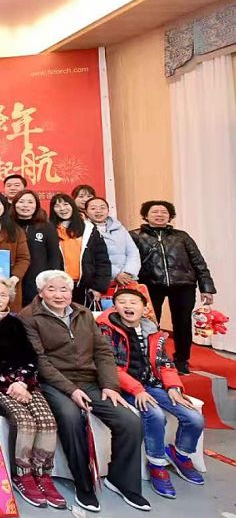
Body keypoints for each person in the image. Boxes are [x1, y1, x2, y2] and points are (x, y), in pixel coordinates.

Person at [20, 269, 150, 512]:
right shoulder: (28, 317)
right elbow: (40, 361)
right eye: (51, 289)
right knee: (71, 418)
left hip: (89, 381)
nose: (59, 295)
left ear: (71, 292)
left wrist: (110, 385)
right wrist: (70, 390)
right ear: (40, 292)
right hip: (53, 383)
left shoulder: (83, 313)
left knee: (129, 421)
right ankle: (84, 484)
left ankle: (121, 481)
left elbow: (103, 351)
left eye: (64, 289)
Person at [97, 286, 206, 498]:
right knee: (155, 415)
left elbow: (165, 363)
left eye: (133, 302)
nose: (128, 306)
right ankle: (157, 464)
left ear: (144, 308)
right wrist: (136, 390)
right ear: (114, 307)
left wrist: (173, 387)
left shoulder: (153, 331)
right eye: (122, 302)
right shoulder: (107, 330)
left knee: (194, 418)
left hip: (152, 384)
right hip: (124, 387)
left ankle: (180, 454)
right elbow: (109, 365)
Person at [0, 276, 64, 509]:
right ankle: (23, 475)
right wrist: (10, 382)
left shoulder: (16, 322)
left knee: (47, 421)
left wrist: (22, 382)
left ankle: (43, 474)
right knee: (24, 421)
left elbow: (30, 356)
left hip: (24, 383)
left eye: (3, 295)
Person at [131, 200, 215, 375]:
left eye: (164, 212)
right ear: (146, 215)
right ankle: (152, 359)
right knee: (150, 323)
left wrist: (206, 287)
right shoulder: (135, 236)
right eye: (155, 212)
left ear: (170, 216)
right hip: (150, 285)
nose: (159, 215)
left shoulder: (182, 236)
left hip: (183, 285)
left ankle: (182, 360)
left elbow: (198, 262)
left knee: (183, 323)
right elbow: (130, 260)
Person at [49, 193, 110, 307]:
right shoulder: (48, 229)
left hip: (84, 287)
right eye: (57, 206)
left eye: (66, 204)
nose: (62, 209)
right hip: (58, 286)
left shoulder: (89, 229)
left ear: (72, 206)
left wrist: (98, 287)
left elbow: (102, 260)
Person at [10, 190, 63, 307]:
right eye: (21, 202)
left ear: (36, 205)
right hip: (11, 278)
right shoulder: (7, 225)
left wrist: (51, 281)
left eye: (30, 202)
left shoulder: (46, 227)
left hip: (37, 281)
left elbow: (54, 257)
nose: (25, 205)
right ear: (14, 204)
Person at [84, 196, 140, 287]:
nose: (98, 211)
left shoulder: (119, 228)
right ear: (86, 212)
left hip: (126, 279)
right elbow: (92, 258)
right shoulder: (85, 230)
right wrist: (116, 274)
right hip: (100, 280)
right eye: (93, 208)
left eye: (102, 208)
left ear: (108, 210)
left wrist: (128, 272)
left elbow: (132, 252)